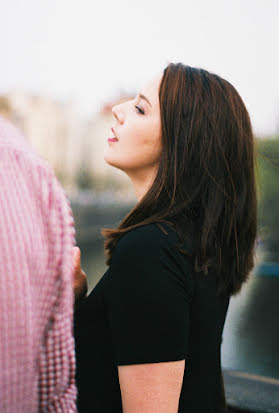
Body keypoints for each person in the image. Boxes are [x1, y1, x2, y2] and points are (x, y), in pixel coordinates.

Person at [74, 63, 257, 413]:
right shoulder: (195, 244)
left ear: (183, 142)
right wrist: (80, 304)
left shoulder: (150, 251)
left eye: (141, 108)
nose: (119, 108)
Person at [0, 116, 78, 412]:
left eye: (140, 109)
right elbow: (55, 392)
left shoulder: (15, 160)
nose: (119, 112)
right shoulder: (21, 161)